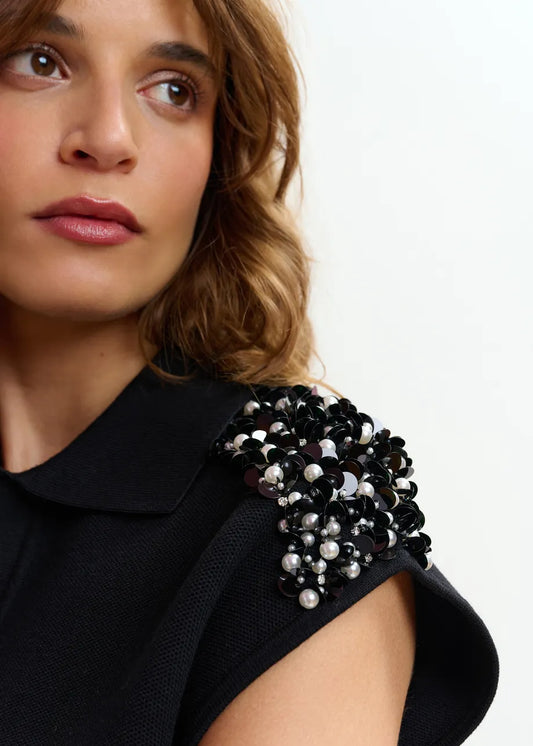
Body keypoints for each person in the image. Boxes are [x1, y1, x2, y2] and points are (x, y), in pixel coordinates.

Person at [0, 0, 499, 744]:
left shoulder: (297, 517)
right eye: (40, 63)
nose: (108, 138)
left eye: (174, 90)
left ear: (220, 155)